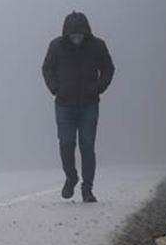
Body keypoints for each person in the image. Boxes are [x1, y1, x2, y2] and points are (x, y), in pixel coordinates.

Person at [41, 11, 115, 202]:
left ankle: (87, 189)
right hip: (64, 105)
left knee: (87, 146)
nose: (76, 38)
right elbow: (47, 68)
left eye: (80, 35)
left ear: (86, 32)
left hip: (89, 105)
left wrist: (98, 88)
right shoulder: (56, 46)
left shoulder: (98, 46)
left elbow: (108, 68)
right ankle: (71, 177)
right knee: (66, 145)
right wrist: (55, 88)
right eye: (73, 35)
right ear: (66, 34)